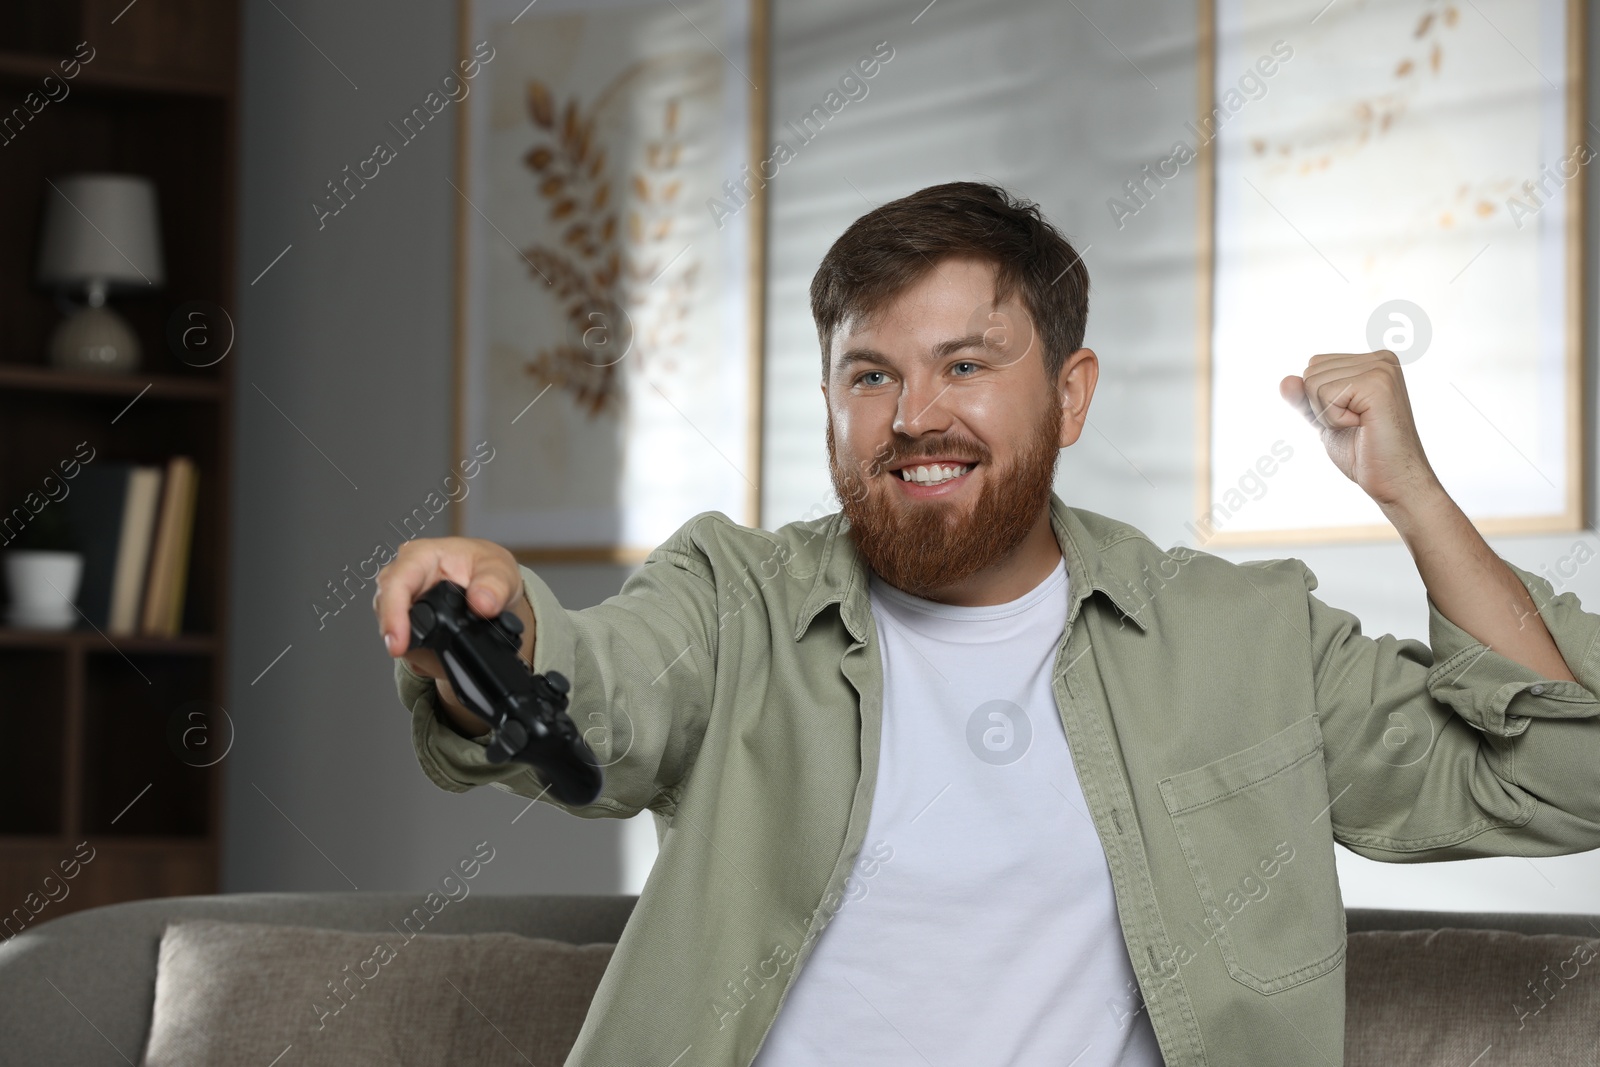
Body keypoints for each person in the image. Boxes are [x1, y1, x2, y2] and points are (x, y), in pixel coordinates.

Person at [374, 181, 1600, 1066]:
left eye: (966, 365)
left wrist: (1412, 493)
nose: (914, 415)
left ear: (1069, 395)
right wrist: (499, 622)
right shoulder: (732, 597)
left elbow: (1567, 773)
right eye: (871, 374)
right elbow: (603, 692)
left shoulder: (1248, 638)